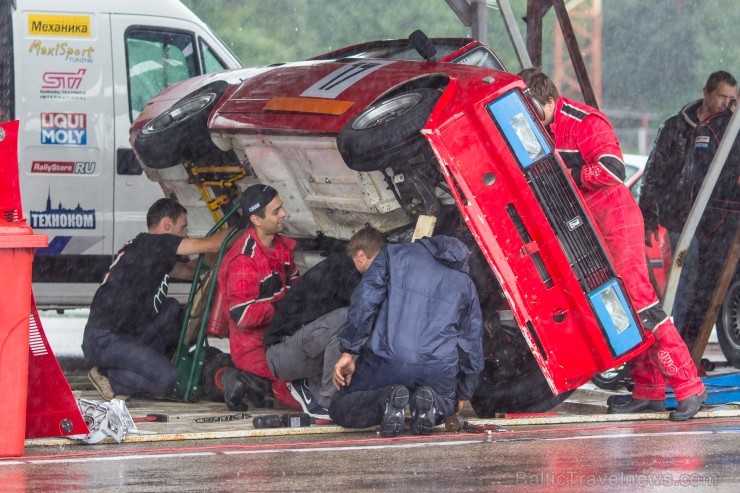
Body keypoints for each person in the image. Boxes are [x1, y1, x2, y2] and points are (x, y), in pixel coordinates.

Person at [519, 68, 706, 421]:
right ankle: (648, 390)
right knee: (618, 307)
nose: (533, 123)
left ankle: (689, 386)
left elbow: (612, 170)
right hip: (587, 228)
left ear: (548, 100)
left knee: (640, 302)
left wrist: (570, 178)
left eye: (535, 114)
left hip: (616, 221)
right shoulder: (539, 127)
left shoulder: (585, 121)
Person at [330, 235, 483, 437]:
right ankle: (434, 405)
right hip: (436, 370)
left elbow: (365, 302)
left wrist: (349, 351)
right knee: (444, 406)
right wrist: (462, 392)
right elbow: (471, 342)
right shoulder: (465, 284)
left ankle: (387, 399)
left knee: (340, 407)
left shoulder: (394, 255)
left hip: (385, 360)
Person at [83, 198, 232, 400]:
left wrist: (225, 253)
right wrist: (242, 225)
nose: (185, 234)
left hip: (123, 334)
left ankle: (144, 363)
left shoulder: (151, 250)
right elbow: (212, 245)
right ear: (167, 224)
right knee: (167, 377)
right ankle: (107, 375)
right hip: (105, 339)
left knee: (170, 307)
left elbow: (190, 270)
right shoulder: (154, 243)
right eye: (183, 227)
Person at [264, 227, 387, 420]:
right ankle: (329, 399)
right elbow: (365, 308)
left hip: (299, 349)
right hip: (282, 353)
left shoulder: (345, 269)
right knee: (350, 317)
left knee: (360, 330)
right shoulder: (341, 270)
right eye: (377, 262)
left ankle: (309, 385)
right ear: (361, 255)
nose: (380, 269)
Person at [217, 184, 300, 411]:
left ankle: (258, 384)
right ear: (256, 219)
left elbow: (295, 286)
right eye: (276, 211)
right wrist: (283, 307)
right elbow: (242, 316)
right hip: (253, 348)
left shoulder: (282, 246)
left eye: (281, 207)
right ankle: (248, 380)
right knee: (298, 395)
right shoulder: (243, 261)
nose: (284, 214)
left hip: (280, 336)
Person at [640, 71, 737, 252]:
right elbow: (652, 174)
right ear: (706, 92)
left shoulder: (732, 134)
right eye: (721, 96)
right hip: (677, 220)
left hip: (716, 224)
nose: (726, 104)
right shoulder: (674, 127)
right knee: (683, 272)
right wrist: (648, 217)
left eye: (731, 99)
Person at [676, 95, 740, 351]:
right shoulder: (713, 127)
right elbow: (705, 178)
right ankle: (688, 349)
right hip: (719, 218)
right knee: (705, 288)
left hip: (727, 214)